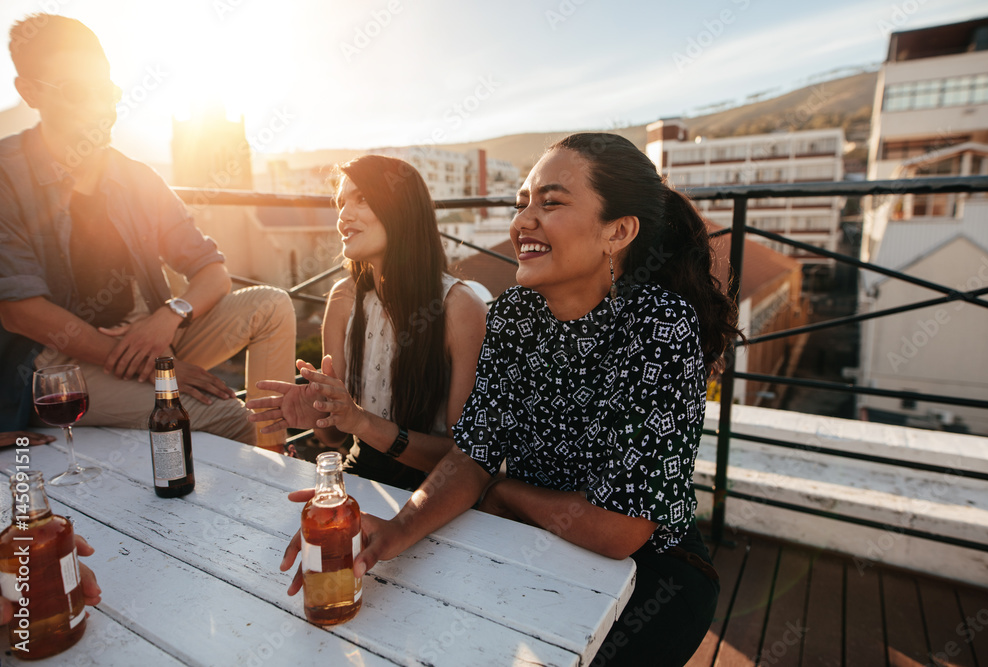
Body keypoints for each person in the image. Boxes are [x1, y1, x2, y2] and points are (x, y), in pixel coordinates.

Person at [281, 133, 741, 665]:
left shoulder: (658, 326)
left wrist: (504, 493)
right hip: (524, 544)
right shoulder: (515, 316)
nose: (523, 221)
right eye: (521, 203)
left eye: (551, 202)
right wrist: (392, 534)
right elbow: (471, 456)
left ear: (618, 231)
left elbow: (620, 529)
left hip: (652, 574)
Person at [0, 14, 296, 453]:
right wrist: (159, 370)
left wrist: (168, 316)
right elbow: (20, 311)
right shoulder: (8, 174)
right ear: (30, 92)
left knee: (271, 304)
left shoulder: (136, 177)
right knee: (228, 415)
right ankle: (273, 491)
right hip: (64, 363)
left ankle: (277, 467)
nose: (101, 106)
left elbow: (213, 272)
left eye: (108, 91)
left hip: (155, 338)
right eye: (79, 92)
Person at [248, 155, 488, 488]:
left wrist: (363, 423)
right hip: (361, 473)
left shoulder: (460, 308)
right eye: (341, 202)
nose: (343, 216)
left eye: (361, 199)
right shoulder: (343, 299)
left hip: (438, 492)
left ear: (402, 209)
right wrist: (319, 412)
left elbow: (465, 458)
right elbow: (332, 437)